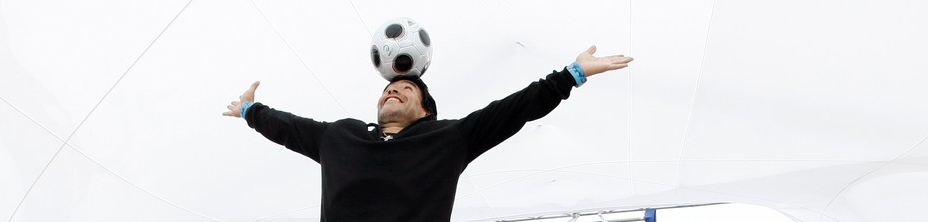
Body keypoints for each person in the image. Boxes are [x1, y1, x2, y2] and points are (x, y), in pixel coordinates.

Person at [222, 45, 633, 221]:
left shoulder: (448, 140)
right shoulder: (340, 137)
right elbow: (288, 128)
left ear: (426, 111)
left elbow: (513, 110)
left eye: (406, 88)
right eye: (388, 88)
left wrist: (572, 74)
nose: (393, 89)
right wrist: (251, 110)